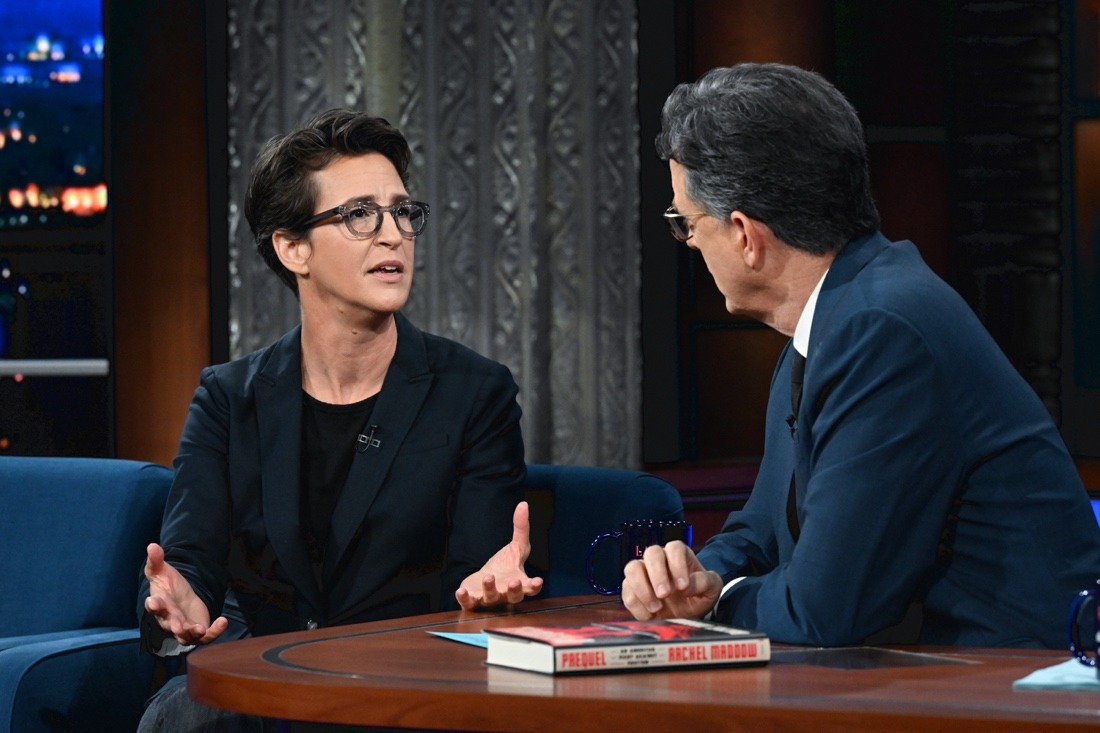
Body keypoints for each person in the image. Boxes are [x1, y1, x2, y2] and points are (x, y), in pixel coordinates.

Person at [623, 62, 1100, 648]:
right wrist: (692, 576)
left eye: (686, 223)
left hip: (1011, 680)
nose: (690, 242)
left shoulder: (881, 332)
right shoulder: (835, 319)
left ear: (746, 235)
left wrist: (713, 604)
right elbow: (762, 529)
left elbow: (826, 609)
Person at [136, 109, 542, 731]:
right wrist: (178, 603)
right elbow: (188, 563)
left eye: (402, 213)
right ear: (292, 248)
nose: (394, 235)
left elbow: (479, 579)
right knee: (184, 715)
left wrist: (487, 594)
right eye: (360, 215)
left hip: (405, 689)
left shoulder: (473, 393)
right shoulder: (228, 398)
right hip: (266, 687)